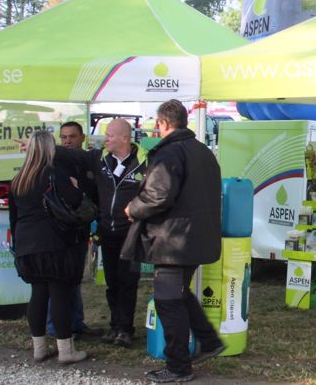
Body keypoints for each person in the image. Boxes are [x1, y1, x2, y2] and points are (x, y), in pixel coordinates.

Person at [123, 100, 225, 383]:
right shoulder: (203, 152)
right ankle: (208, 340)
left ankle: (178, 366)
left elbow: (158, 195)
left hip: (173, 241)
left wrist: (133, 208)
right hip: (195, 238)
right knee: (178, 293)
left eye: (156, 123)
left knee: (169, 301)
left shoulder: (170, 153)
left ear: (163, 123)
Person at [9, 131, 88, 364]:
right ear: (49, 150)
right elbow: (75, 201)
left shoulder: (18, 179)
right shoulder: (54, 174)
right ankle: (66, 351)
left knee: (38, 294)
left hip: (27, 245)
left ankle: (39, 348)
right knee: (59, 294)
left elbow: (13, 217)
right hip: (54, 244)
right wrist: (75, 186)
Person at [92, 118, 146, 347]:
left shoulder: (145, 162)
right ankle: (115, 326)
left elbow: (152, 193)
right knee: (112, 282)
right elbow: (72, 157)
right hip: (107, 232)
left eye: (110, 135)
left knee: (128, 281)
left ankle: (126, 328)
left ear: (125, 138)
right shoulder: (100, 159)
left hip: (131, 233)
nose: (106, 139)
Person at [47, 121, 99, 340]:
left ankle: (76, 322)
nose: (67, 141)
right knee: (60, 280)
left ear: (82, 137)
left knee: (76, 276)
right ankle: (55, 327)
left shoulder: (89, 161)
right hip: (61, 229)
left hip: (81, 226)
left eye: (72, 137)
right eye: (64, 137)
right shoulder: (55, 163)